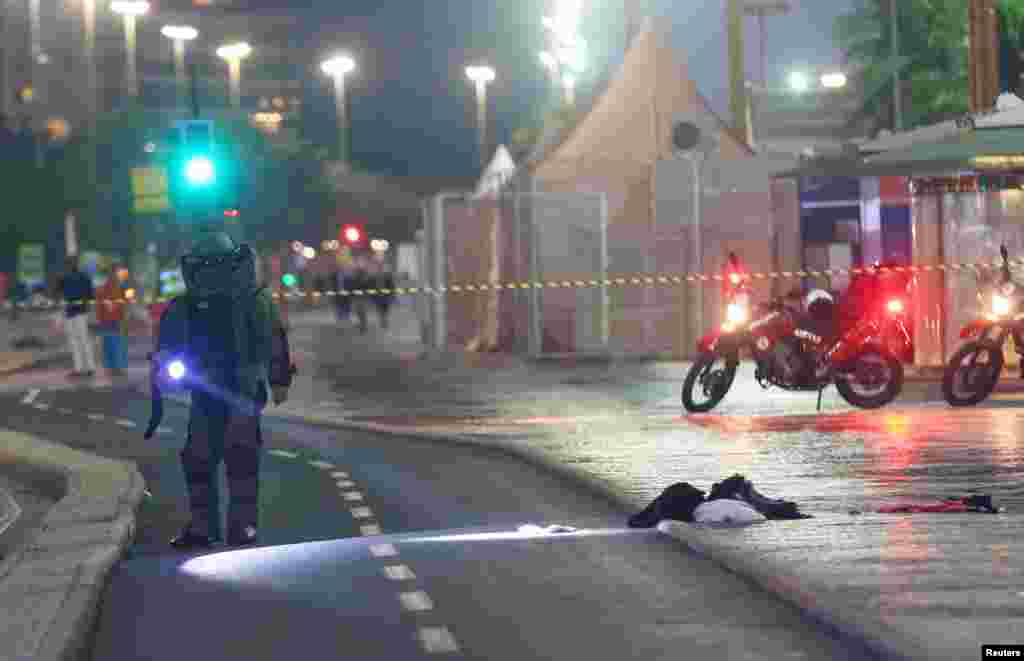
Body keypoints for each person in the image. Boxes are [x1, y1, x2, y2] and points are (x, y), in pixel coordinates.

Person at [151, 231, 294, 549]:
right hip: (215, 392)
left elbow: (273, 341)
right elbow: (169, 344)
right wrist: (164, 370)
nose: (209, 274)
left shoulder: (251, 300)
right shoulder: (194, 304)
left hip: (239, 390)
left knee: (234, 458)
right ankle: (213, 527)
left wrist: (279, 378)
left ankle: (233, 526)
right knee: (202, 459)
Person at [56, 255, 97, 378]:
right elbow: (91, 295)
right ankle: (87, 367)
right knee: (82, 339)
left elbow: (57, 291)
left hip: (72, 312)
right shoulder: (84, 277)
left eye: (69, 263)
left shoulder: (65, 277)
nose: (69, 265)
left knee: (77, 340)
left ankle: (81, 368)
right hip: (79, 311)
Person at [96, 265, 128, 374]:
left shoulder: (114, 288)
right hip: (112, 320)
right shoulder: (115, 288)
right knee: (114, 343)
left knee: (111, 344)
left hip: (110, 320)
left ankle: (114, 367)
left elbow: (122, 304)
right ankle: (116, 367)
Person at [370, 259, 396, 330]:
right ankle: (383, 322)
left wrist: (392, 295)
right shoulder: (374, 277)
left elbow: (391, 286)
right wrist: (372, 297)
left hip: (385, 297)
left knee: (384, 311)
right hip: (378, 297)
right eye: (378, 267)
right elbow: (372, 287)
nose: (379, 268)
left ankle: (384, 322)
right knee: (380, 312)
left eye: (380, 266)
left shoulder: (387, 276)